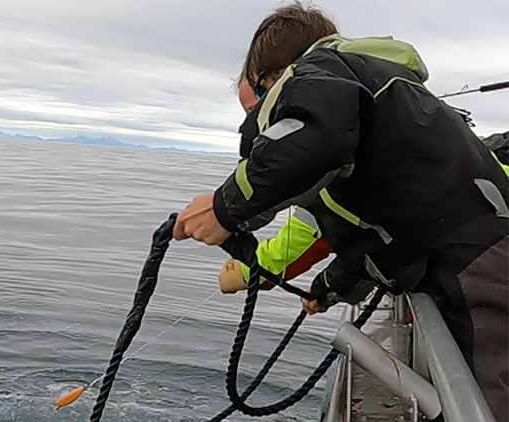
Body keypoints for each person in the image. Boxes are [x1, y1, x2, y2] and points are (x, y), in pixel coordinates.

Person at [172, 2, 509, 422]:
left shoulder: (323, 70)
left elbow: (315, 140)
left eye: (258, 102)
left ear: (273, 76)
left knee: (491, 417)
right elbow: (385, 234)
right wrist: (330, 288)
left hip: (477, 266)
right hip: (462, 262)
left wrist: (224, 207)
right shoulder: (368, 103)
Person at [218, 79, 509, 295]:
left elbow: (299, 247)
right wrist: (332, 284)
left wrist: (243, 272)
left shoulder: (332, 153)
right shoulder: (391, 118)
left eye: (259, 105)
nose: (256, 122)